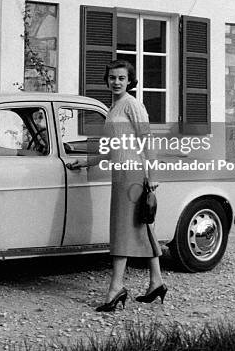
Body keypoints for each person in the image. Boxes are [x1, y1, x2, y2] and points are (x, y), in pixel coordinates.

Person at [67, 59, 167, 311]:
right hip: (121, 174)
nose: (116, 82)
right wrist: (86, 162)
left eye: (121, 78)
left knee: (122, 230)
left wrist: (152, 176)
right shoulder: (114, 108)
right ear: (107, 80)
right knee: (141, 227)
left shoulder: (132, 105)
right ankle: (156, 281)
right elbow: (111, 149)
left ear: (129, 80)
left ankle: (116, 288)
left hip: (133, 175)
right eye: (112, 77)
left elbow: (148, 141)